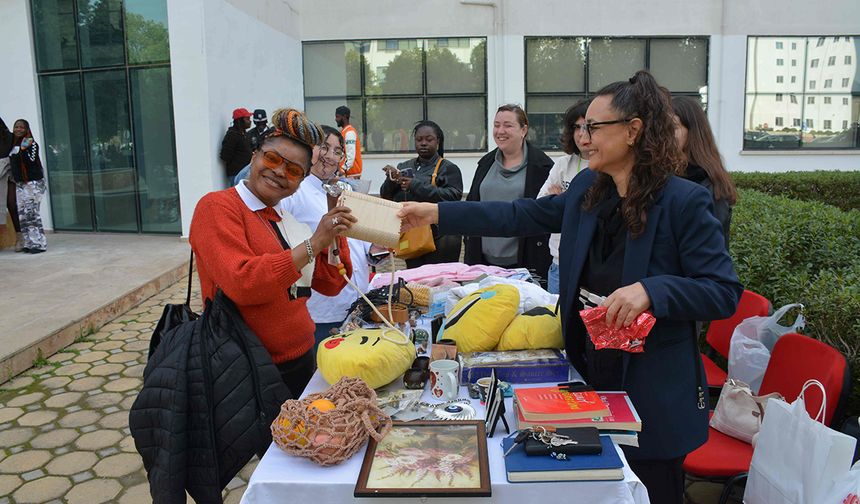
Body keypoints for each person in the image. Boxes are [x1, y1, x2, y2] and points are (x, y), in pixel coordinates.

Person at [398, 70, 742, 504]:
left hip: (650, 384)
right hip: (588, 369)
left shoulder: (683, 201)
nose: (584, 135)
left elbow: (721, 290)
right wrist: (436, 213)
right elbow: (521, 216)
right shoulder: (588, 189)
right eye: (582, 127)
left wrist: (653, 290)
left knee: (653, 489)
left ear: (634, 131)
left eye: (595, 127)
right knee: (590, 484)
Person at [190, 108, 356, 397]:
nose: (280, 171)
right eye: (272, 158)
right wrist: (314, 243)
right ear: (254, 155)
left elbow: (331, 284)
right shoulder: (217, 207)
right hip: (244, 366)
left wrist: (333, 233)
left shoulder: (286, 220)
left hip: (301, 359)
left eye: (293, 170)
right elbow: (244, 283)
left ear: (301, 180)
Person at [280, 125, 374, 348]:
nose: (330, 157)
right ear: (308, 149)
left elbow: (358, 241)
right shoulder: (294, 191)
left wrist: (376, 248)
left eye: (337, 151)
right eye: (324, 147)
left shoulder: (344, 190)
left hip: (357, 301)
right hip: (321, 307)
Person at [464, 104, 553, 286]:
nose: (500, 131)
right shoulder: (485, 164)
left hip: (526, 264)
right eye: (496, 125)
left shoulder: (542, 167)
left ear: (524, 129)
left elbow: (547, 214)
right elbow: (472, 206)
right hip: (483, 264)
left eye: (508, 125)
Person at [380, 120, 463, 268]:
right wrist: (391, 180)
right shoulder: (404, 166)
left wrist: (414, 184)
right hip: (412, 236)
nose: (423, 143)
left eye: (428, 139)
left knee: (439, 280)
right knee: (416, 282)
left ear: (438, 141)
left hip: (440, 239)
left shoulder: (448, 168)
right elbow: (387, 196)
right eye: (419, 140)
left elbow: (452, 197)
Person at [538, 98, 592, 294]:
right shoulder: (563, 164)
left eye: (587, 127)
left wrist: (562, 199)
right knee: (556, 321)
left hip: (591, 264)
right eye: (576, 127)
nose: (581, 134)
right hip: (559, 263)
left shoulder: (607, 163)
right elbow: (542, 204)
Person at [672, 96, 737, 248]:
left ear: (693, 132)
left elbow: (709, 247)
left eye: (673, 127)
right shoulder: (663, 176)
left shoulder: (710, 185)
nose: (665, 134)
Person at [9, 119, 47, 254]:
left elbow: (31, 160)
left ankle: (39, 244)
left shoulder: (30, 142)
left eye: (21, 127)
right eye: (16, 127)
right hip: (20, 184)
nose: (18, 129)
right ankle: (29, 243)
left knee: (32, 214)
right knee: (23, 215)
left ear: (26, 129)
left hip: (33, 183)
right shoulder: (14, 145)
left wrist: (23, 148)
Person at [0, 116, 21, 250]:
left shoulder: (12, 138)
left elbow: (18, 156)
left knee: (12, 204)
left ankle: (20, 237)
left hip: (9, 176)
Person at [220, 108, 253, 184]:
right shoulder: (232, 135)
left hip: (246, 172)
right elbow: (225, 156)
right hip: (237, 174)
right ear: (239, 121)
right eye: (247, 119)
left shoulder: (244, 134)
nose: (250, 121)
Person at [335, 105, 362, 178]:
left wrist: (342, 170)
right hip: (348, 174)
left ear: (344, 116)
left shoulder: (349, 133)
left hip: (351, 175)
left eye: (337, 117)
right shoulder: (344, 132)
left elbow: (350, 156)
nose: (335, 119)